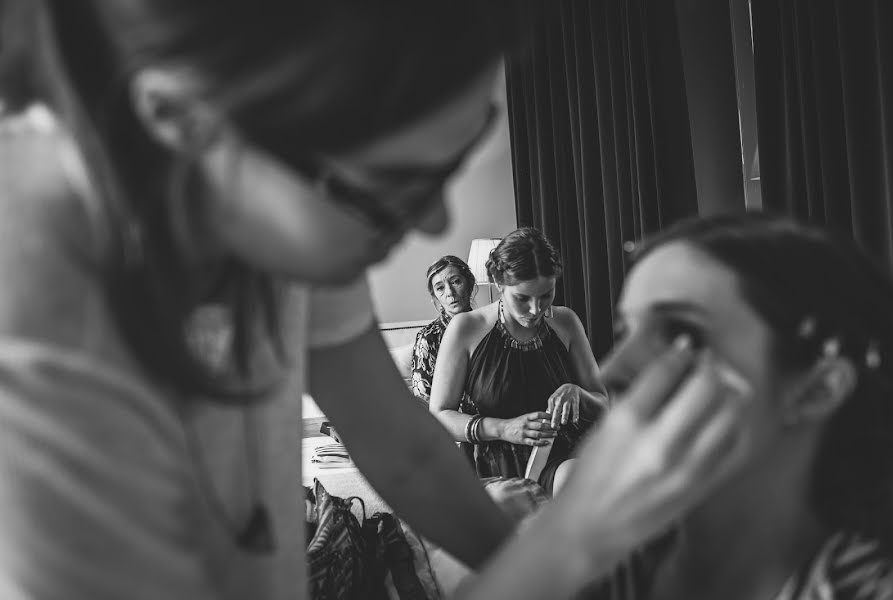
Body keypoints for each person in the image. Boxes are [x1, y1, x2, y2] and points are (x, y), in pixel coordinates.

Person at [0, 2, 751, 599]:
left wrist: (523, 554)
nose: (435, 226)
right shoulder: (36, 335)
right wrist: (569, 544)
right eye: (394, 187)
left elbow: (409, 452)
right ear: (182, 121)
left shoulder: (261, 209)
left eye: (455, 163)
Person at [585, 212, 893, 599]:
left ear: (818, 389)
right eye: (625, 332)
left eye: (681, 335)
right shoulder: (593, 570)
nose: (609, 371)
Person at [430, 228, 609, 493]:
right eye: (522, 298)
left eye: (546, 295)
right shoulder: (465, 328)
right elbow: (440, 416)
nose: (536, 310)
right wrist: (504, 429)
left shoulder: (566, 322)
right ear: (499, 283)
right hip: (494, 464)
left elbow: (604, 404)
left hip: (560, 458)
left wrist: (579, 394)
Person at [410, 255, 476, 404]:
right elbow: (423, 399)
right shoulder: (428, 338)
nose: (450, 293)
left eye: (456, 282)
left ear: (470, 283)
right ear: (435, 296)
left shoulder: (489, 327)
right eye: (440, 288)